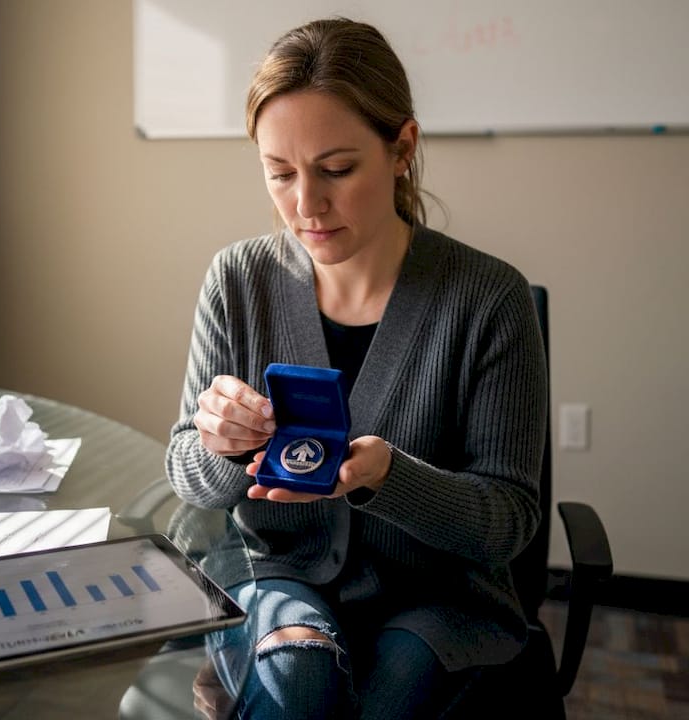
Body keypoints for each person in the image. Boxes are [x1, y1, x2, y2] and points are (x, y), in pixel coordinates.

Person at [166, 17, 547, 719]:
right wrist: (219, 444)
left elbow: (509, 522)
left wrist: (387, 479)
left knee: (385, 701)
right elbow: (187, 472)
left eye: (337, 170)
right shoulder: (237, 280)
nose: (306, 206)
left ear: (402, 147)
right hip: (274, 575)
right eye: (279, 174)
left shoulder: (489, 299)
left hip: (437, 599)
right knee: (300, 679)